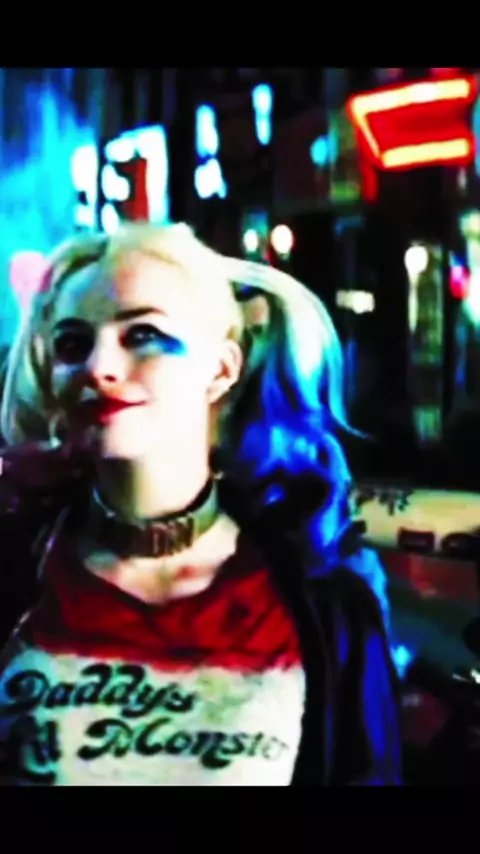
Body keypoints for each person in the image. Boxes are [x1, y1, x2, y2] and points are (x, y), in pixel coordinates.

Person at [0, 223, 401, 786]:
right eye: (73, 344)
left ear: (221, 368)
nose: (98, 367)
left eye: (142, 334)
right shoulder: (17, 575)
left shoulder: (325, 606)